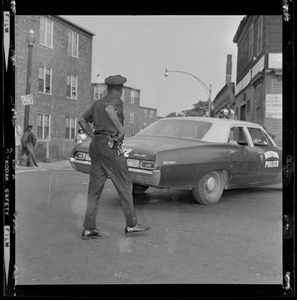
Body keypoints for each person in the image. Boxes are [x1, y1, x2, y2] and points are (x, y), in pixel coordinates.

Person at [78, 74, 149, 240]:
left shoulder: (97, 103)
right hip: (110, 145)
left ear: (107, 87)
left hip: (96, 146)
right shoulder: (116, 101)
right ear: (121, 90)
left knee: (94, 190)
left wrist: (93, 136)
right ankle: (132, 225)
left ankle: (89, 228)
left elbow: (82, 120)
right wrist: (121, 130)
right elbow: (110, 110)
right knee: (125, 184)